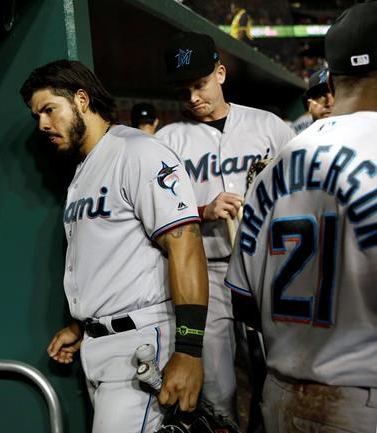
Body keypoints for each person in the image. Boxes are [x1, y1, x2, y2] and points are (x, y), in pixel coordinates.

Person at [20, 59, 209, 433]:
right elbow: (107, 257)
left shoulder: (138, 152)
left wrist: (189, 350)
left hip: (140, 343)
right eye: (36, 115)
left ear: (81, 99)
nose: (42, 123)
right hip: (100, 345)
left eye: (49, 109)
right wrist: (81, 324)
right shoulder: (84, 168)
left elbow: (185, 247)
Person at [224, 2, 377, 432]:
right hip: (363, 404)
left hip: (282, 397)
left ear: (330, 78)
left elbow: (243, 301)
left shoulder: (279, 161)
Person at [155, 31, 295, 420]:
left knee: (277, 374)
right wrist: (202, 209)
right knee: (218, 388)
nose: (193, 98)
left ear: (220, 73)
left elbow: (301, 189)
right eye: (183, 91)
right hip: (208, 271)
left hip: (269, 268)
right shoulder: (168, 140)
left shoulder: (270, 127)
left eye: (199, 84)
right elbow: (160, 212)